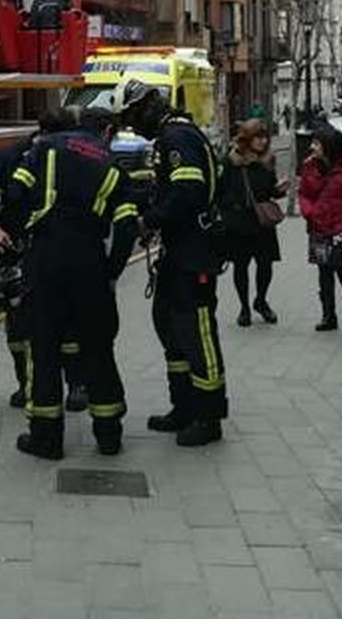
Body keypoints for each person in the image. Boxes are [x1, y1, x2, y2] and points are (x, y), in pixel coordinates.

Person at [1, 104, 133, 460]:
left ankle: (46, 438)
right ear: (105, 132)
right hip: (89, 260)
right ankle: (108, 435)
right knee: (98, 349)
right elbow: (127, 225)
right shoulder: (111, 165)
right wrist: (111, 270)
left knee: (43, 347)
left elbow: (11, 196)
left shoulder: (46, 148)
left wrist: (25, 236)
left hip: (46, 259)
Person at [115, 79, 227, 447]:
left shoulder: (177, 139)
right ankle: (184, 407)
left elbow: (189, 193)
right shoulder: (171, 138)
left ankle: (209, 416)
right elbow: (167, 189)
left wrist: (153, 219)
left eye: (134, 115)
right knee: (169, 325)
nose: (134, 125)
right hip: (179, 252)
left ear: (150, 105)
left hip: (194, 252)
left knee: (196, 332)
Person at [0, 110, 87, 413]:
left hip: (55, 248)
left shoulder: (72, 158)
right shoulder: (11, 156)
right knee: (18, 323)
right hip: (18, 247)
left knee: (67, 320)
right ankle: (25, 384)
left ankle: (76, 384)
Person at [218, 120, 288, 328]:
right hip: (239, 222)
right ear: (247, 139)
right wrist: (230, 208)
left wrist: (279, 190)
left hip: (262, 222)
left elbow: (269, 190)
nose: (263, 141)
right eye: (258, 137)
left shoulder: (267, 161)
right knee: (241, 266)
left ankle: (260, 300)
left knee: (265, 264)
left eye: (264, 137)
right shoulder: (231, 161)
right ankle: (244, 307)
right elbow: (219, 191)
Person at [298, 125, 342, 330]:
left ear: (329, 146)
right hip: (318, 228)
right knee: (324, 273)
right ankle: (328, 316)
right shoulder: (310, 167)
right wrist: (310, 213)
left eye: (316, 143)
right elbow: (304, 193)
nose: (312, 147)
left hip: (340, 229)